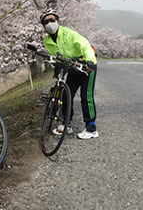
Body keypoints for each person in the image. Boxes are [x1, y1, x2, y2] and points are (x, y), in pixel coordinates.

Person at [40, 8, 99, 140]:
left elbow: (85, 46)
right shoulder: (47, 42)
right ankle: (67, 124)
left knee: (86, 96)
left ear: (57, 21)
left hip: (86, 66)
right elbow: (55, 56)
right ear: (43, 26)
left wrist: (89, 61)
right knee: (66, 95)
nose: (50, 23)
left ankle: (91, 128)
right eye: (46, 22)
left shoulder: (69, 34)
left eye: (52, 20)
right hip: (72, 67)